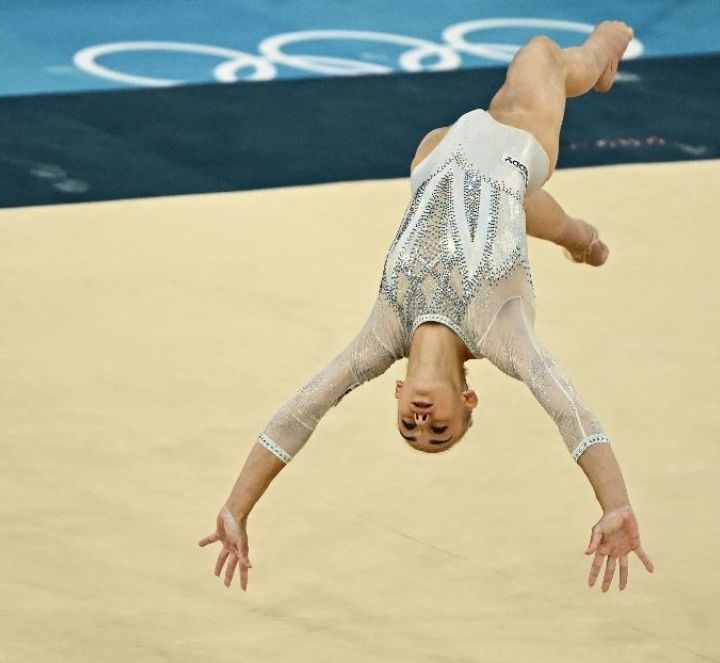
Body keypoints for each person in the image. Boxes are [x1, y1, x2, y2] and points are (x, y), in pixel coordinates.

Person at [199, 20, 654, 594]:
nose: (421, 422)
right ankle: (600, 59)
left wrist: (238, 507)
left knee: (528, 206)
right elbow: (572, 413)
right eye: (438, 428)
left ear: (394, 394)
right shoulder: (499, 332)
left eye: (409, 428)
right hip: (514, 149)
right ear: (467, 398)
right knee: (542, 57)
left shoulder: (383, 336)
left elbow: (299, 412)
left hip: (435, 156)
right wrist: (616, 504)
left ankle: (574, 235)